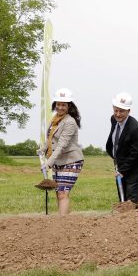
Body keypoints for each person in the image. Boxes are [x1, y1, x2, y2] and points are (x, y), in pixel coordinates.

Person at [41, 88, 84, 216]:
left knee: (62, 193)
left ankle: (63, 224)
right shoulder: (55, 119)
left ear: (69, 106)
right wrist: (43, 149)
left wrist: (49, 162)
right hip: (58, 162)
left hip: (71, 161)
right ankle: (64, 223)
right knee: (58, 193)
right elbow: (51, 138)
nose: (60, 107)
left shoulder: (70, 122)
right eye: (58, 104)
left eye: (63, 105)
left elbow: (61, 145)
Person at [106, 92, 138, 207]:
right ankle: (123, 222)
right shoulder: (113, 119)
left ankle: (132, 221)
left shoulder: (136, 129)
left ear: (129, 111)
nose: (118, 114)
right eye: (116, 110)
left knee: (131, 199)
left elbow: (135, 154)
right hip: (121, 164)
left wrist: (122, 169)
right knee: (122, 197)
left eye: (121, 111)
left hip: (136, 168)